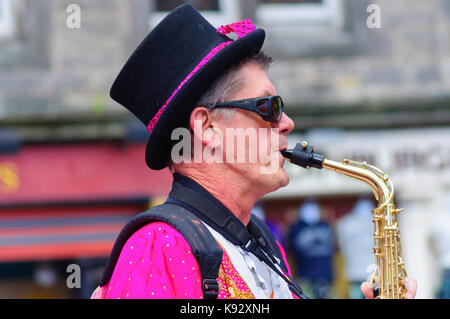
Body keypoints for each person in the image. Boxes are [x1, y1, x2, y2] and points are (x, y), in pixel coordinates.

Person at [91, 4, 416, 299]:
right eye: (269, 107)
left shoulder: (265, 245)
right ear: (207, 128)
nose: (286, 123)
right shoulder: (157, 247)